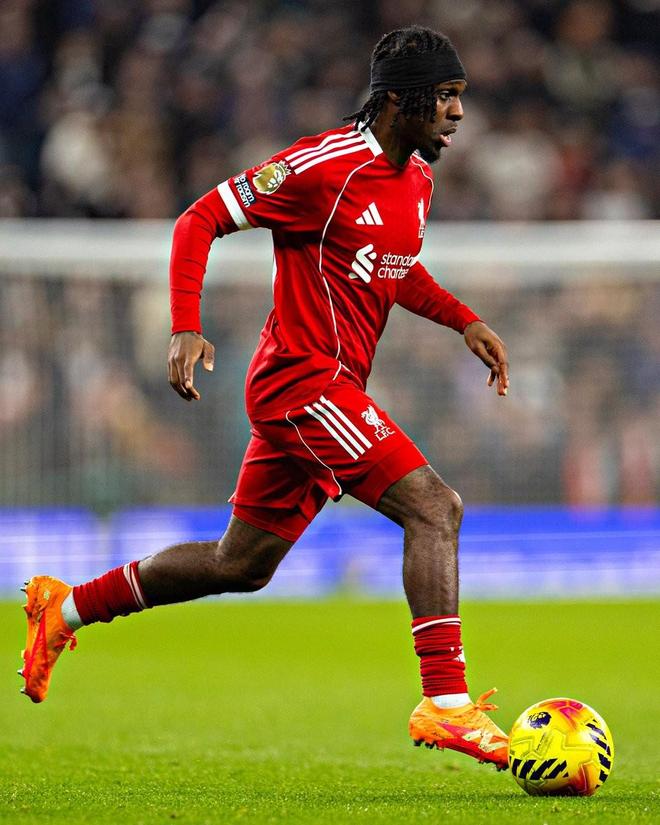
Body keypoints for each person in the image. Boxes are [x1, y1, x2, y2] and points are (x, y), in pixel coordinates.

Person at [20, 25, 510, 770]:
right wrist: (185, 324)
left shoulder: (416, 178)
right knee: (435, 508)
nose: (458, 113)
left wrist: (462, 318)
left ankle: (65, 608)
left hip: (330, 389)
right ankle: (446, 703)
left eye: (458, 97)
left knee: (239, 564)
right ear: (400, 99)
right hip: (302, 383)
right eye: (444, 96)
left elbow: (392, 265)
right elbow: (200, 218)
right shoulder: (321, 167)